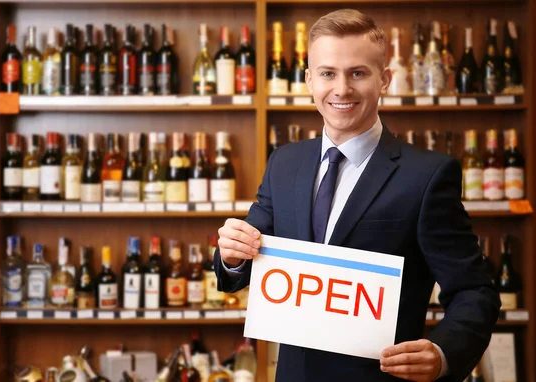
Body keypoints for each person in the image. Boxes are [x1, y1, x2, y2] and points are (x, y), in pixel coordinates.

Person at [213, 9, 501, 382]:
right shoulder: (284, 163)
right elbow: (245, 261)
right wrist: (232, 255)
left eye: (358, 73)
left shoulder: (427, 176)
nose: (341, 89)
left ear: (384, 80)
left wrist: (444, 353)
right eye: (328, 73)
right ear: (308, 80)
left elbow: (475, 290)